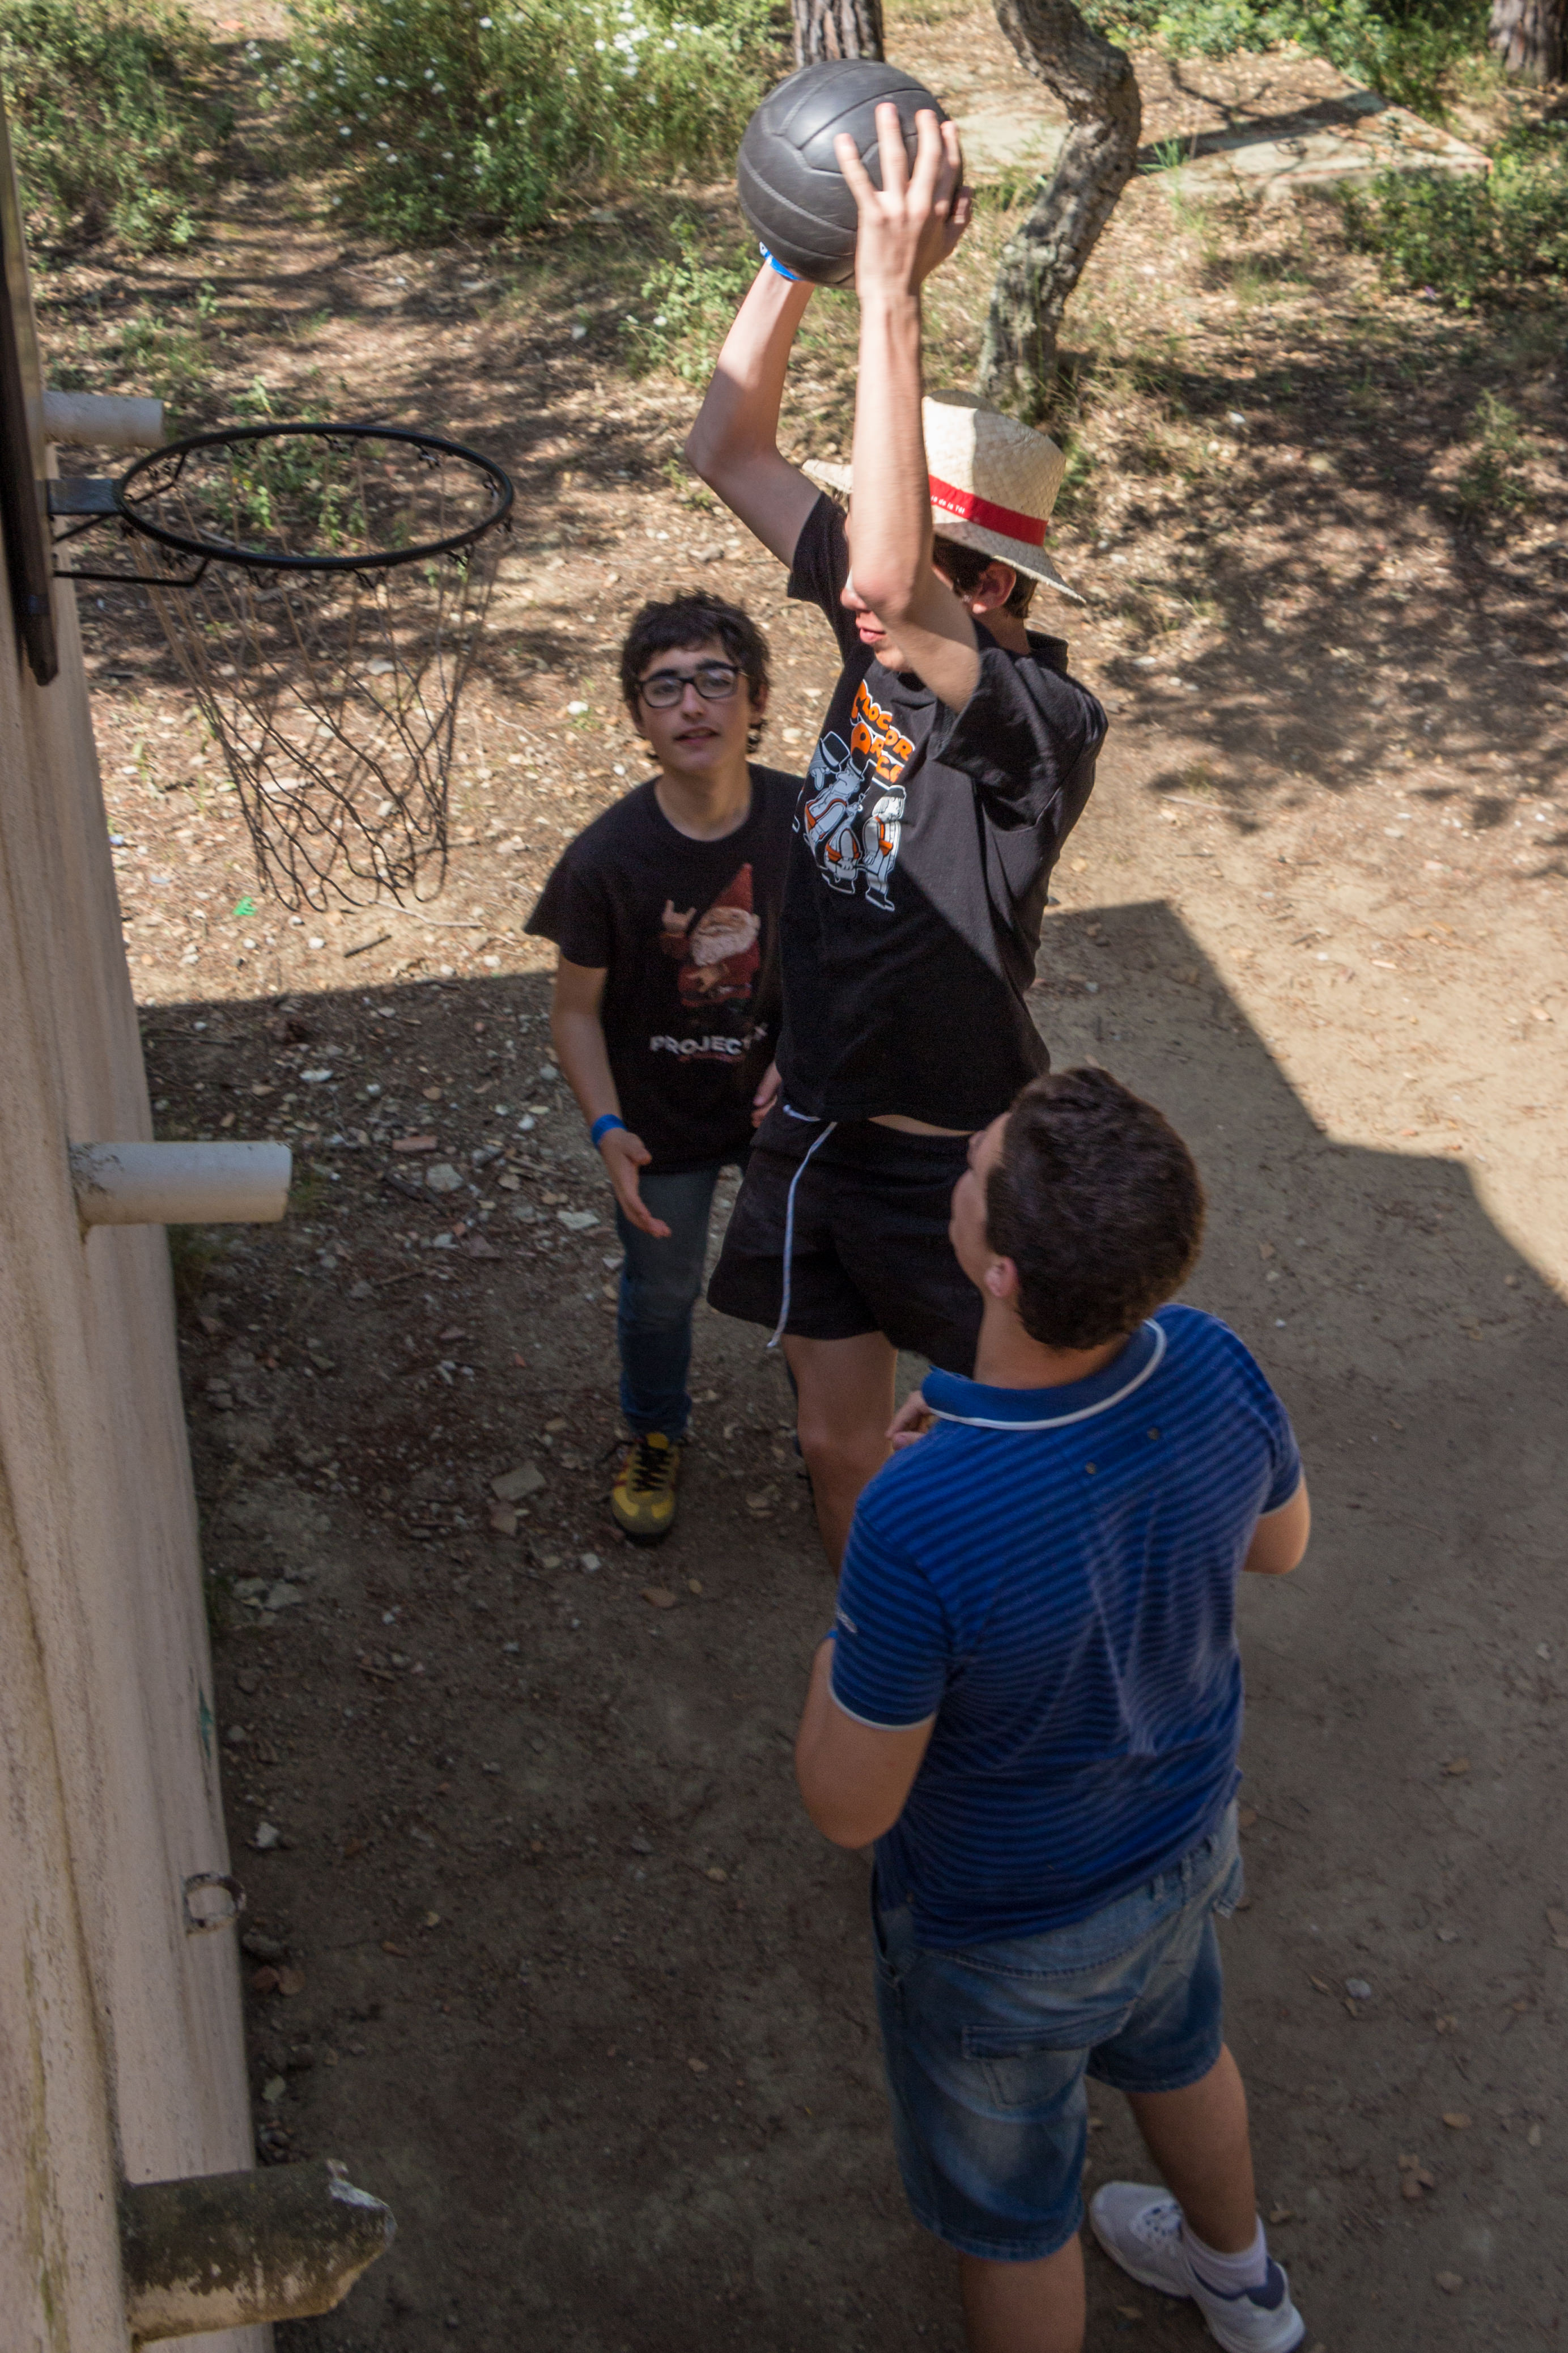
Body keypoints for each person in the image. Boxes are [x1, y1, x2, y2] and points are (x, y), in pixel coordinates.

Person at [794, 1067, 1312, 2353]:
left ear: (1000, 1273)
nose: (961, 1163)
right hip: (1183, 1844)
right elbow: (1280, 1545)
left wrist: (842, 1644)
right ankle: (1244, 2288)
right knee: (1181, 2054)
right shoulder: (1209, 1356)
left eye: (975, 1164)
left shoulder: (917, 1513)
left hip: (1005, 1931)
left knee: (1016, 2220)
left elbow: (847, 1806)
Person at [686, 104, 1107, 1569]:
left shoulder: (1039, 726)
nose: (861, 591)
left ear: (983, 588)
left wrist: (890, 291)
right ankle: (882, 1649)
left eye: (911, 553)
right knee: (836, 1441)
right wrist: (790, 253)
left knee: (1022, 1448)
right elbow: (726, 444)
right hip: (817, 1118)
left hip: (953, 1170)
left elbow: (878, 569)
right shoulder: (876, 629)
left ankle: (1023, 1635)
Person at [526, 592, 797, 1543]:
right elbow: (574, 1012)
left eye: (715, 679)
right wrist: (608, 1129)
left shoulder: (813, 820)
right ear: (638, 716)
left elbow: (861, 963)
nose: (692, 704)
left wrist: (806, 1056)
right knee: (661, 1293)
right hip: (658, 1125)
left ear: (757, 699)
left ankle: (835, 1430)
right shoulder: (606, 860)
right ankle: (654, 1432)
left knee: (811, 1276)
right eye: (665, 687)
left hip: (783, 1110)